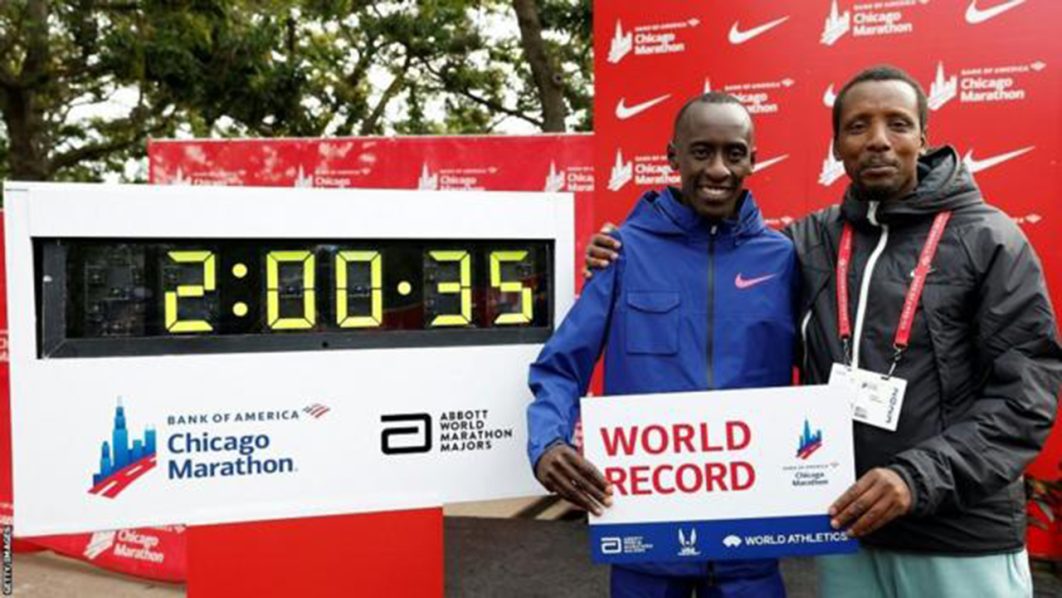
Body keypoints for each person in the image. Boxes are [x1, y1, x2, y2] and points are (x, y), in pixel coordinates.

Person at [585, 65, 1062, 598]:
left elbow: (1026, 397)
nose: (878, 140)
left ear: (924, 138)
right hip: (848, 529)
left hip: (959, 537)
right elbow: (714, 268)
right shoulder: (809, 241)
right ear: (836, 147)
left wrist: (917, 478)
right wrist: (627, 247)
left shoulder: (990, 239)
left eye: (898, 123)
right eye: (858, 126)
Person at [526, 92, 797, 598]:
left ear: (753, 160)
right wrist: (548, 443)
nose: (718, 169)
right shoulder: (623, 253)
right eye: (701, 152)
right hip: (646, 543)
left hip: (750, 547)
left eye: (734, 153)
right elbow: (560, 367)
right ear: (673, 157)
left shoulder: (784, 259)